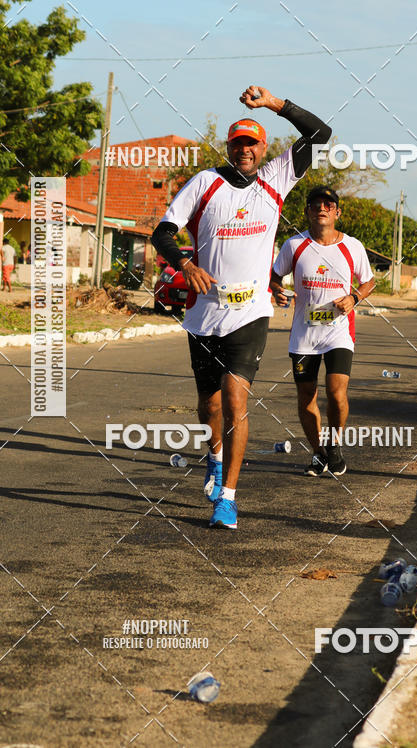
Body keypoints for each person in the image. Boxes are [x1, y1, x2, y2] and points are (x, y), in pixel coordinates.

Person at [151, 85, 332, 530]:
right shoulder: (205, 183)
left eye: (252, 143)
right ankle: (213, 457)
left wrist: (273, 104)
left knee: (236, 401)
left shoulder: (276, 179)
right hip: (203, 315)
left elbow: (321, 132)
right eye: (238, 143)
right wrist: (185, 264)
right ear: (229, 147)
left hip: (251, 312)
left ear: (263, 147)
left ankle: (227, 499)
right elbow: (163, 233)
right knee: (208, 407)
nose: (245, 150)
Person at [270, 186, 375, 477]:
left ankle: (336, 444)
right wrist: (278, 291)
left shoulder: (352, 246)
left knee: (336, 392)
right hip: (304, 335)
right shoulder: (294, 245)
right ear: (307, 211)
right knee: (306, 396)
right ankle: (318, 452)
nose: (322, 208)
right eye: (315, 204)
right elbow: (275, 276)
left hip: (339, 331)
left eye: (328, 204)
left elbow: (368, 282)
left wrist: (353, 299)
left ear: (337, 212)